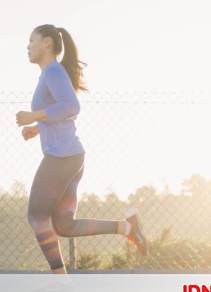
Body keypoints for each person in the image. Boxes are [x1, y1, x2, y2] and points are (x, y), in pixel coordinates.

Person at [16, 24, 148, 274]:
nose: (27, 46)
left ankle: (60, 281)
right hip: (71, 157)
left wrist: (34, 115)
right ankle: (128, 228)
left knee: (37, 217)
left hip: (62, 157)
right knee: (64, 226)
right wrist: (38, 127)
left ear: (47, 43)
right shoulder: (49, 74)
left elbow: (71, 107)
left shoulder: (53, 71)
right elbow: (62, 113)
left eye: (31, 40)